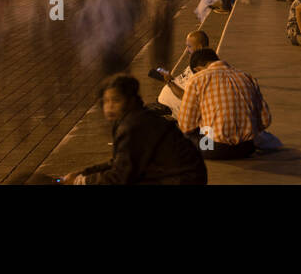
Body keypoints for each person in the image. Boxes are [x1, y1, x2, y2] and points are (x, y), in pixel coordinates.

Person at [62, 74, 206, 185]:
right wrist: (83, 173)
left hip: (184, 179)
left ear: (131, 101)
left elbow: (120, 176)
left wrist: (81, 181)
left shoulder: (133, 125)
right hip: (189, 172)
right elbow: (119, 163)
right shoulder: (134, 118)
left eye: (116, 100)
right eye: (106, 101)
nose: (109, 106)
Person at [177, 49, 271, 160]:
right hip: (247, 148)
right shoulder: (246, 77)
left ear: (197, 69)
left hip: (213, 150)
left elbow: (186, 126)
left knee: (186, 135)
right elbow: (265, 120)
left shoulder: (197, 79)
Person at [156, 30, 211, 114]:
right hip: (164, 105)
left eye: (189, 46)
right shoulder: (195, 63)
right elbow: (184, 83)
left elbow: (187, 97)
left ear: (199, 47)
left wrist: (169, 82)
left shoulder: (202, 68)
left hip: (170, 111)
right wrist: (171, 79)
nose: (187, 50)